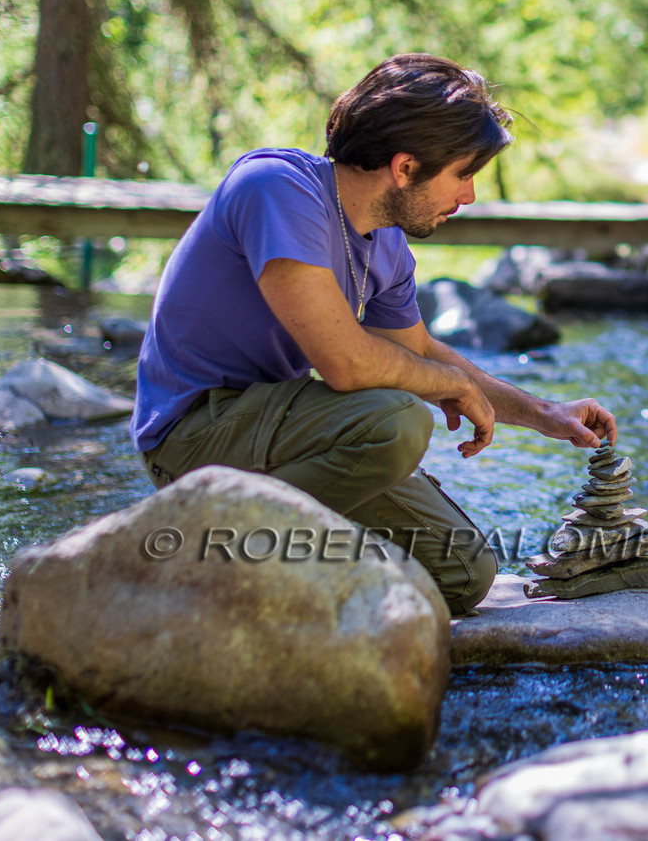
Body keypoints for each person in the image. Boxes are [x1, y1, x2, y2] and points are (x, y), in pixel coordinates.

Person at [132, 53, 617, 615]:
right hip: (193, 434)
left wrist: (545, 414)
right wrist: (441, 385)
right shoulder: (277, 187)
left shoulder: (386, 245)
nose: (470, 196)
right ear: (405, 167)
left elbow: (418, 351)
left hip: (280, 435)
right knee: (397, 420)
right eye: (463, 174)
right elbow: (345, 363)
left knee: (465, 573)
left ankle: (298, 570)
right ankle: (207, 558)